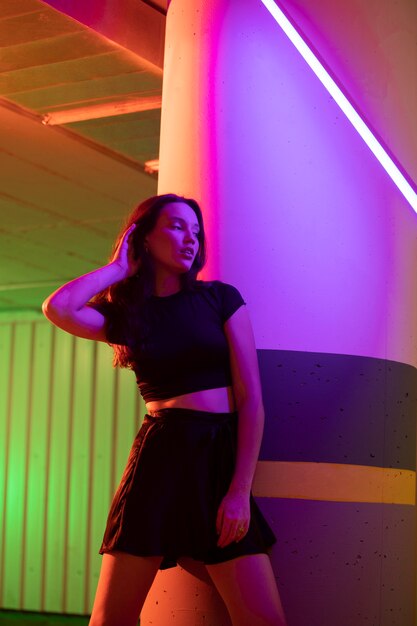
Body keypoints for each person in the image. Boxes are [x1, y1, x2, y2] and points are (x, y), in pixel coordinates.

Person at [42, 193, 287, 626]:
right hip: (158, 456)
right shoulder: (129, 315)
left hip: (216, 458)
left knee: (264, 619)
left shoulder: (220, 299)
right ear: (144, 236)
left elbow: (251, 401)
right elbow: (58, 309)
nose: (190, 239)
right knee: (110, 620)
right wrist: (119, 268)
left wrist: (238, 492)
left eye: (196, 232)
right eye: (176, 226)